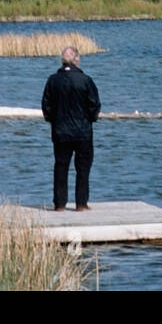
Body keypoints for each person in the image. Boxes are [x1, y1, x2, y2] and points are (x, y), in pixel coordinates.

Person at [41, 45, 101, 211]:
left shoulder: (53, 80)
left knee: (61, 166)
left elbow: (46, 105)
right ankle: (81, 203)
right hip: (82, 131)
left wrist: (53, 120)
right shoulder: (86, 80)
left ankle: (60, 204)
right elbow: (94, 105)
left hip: (60, 131)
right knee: (83, 168)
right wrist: (90, 119)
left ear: (62, 61)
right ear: (77, 60)